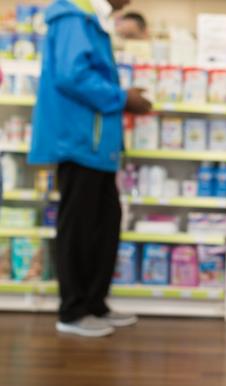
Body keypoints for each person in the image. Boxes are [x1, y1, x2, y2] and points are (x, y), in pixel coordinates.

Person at [28, 0, 151, 338]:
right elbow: (73, 74)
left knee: (104, 223)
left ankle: (95, 304)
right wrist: (122, 98)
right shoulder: (72, 17)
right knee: (80, 227)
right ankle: (72, 310)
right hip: (78, 141)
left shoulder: (91, 19)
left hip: (95, 143)